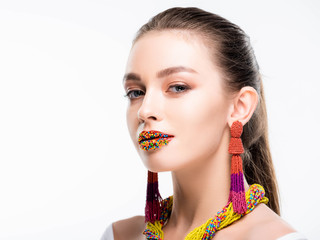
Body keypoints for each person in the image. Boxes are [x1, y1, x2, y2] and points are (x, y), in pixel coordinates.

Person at [101, 7, 307, 240]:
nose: (146, 110)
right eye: (136, 92)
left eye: (178, 87)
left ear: (240, 106)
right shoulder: (119, 235)